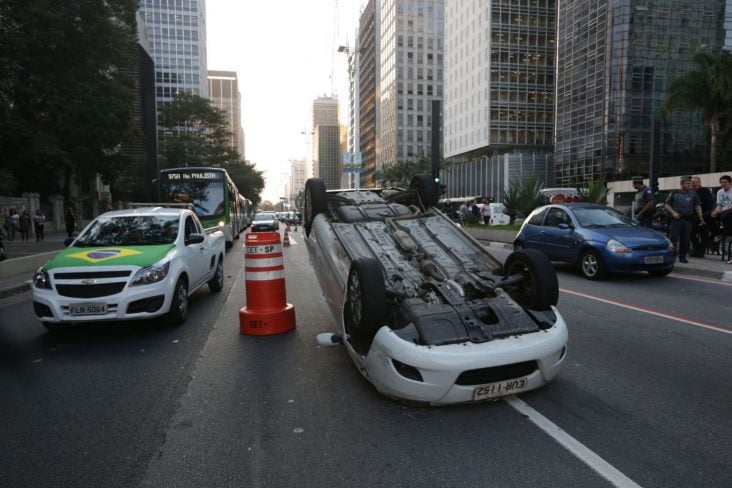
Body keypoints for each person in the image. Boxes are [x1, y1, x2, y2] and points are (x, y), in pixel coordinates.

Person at [665, 175, 704, 263]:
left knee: (685, 239)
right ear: (681, 183)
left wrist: (701, 217)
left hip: (688, 219)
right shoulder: (674, 193)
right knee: (673, 238)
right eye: (687, 183)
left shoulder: (693, 194)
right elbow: (667, 205)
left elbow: (697, 205)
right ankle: (671, 256)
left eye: (690, 183)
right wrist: (673, 213)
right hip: (676, 219)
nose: (689, 185)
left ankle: (682, 257)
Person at [710, 175, 732, 260]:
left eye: (725, 182)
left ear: (730, 183)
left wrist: (721, 211)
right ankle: (718, 232)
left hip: (730, 212)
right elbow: (719, 205)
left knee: (724, 216)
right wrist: (715, 211)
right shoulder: (720, 192)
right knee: (708, 216)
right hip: (722, 211)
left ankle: (729, 234)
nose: (723, 184)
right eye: (722, 182)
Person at [690, 176, 713, 257]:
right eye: (693, 182)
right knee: (691, 233)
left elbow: (710, 204)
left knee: (703, 234)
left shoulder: (705, 191)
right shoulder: (689, 191)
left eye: (696, 182)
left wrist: (703, 216)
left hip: (704, 215)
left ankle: (701, 252)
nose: (695, 184)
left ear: (700, 183)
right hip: (692, 216)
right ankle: (696, 249)